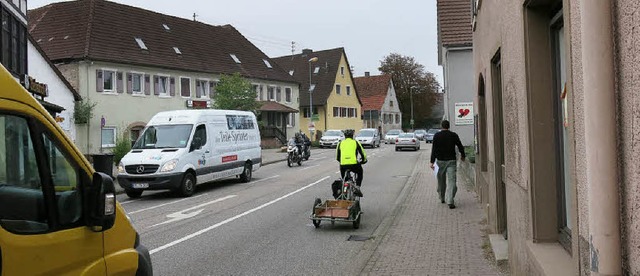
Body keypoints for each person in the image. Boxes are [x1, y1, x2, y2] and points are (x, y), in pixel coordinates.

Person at [429, 120, 465, 209]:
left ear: (441, 126)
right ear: (448, 126)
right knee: (452, 181)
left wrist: (432, 161)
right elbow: (460, 146)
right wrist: (463, 156)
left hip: (439, 162)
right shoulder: (454, 135)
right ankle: (450, 200)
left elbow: (434, 149)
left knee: (441, 181)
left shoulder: (437, 136)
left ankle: (442, 197)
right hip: (451, 161)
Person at [336, 129, 367, 197]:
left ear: (345, 136)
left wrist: (343, 161)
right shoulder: (355, 142)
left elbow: (337, 157)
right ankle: (357, 187)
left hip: (343, 166)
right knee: (360, 172)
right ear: (352, 136)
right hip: (354, 165)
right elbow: (363, 153)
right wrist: (364, 161)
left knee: (344, 178)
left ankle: (345, 188)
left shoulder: (340, 143)